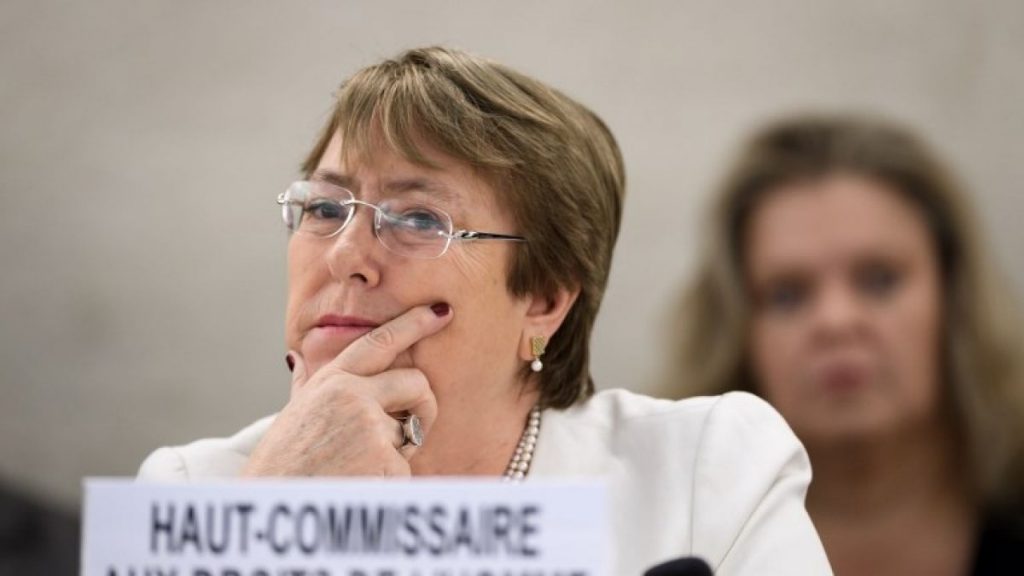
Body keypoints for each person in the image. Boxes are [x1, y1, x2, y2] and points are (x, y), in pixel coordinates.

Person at [138, 47, 831, 574]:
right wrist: (265, 524)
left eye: (417, 218)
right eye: (324, 208)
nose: (345, 254)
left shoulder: (706, 472)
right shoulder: (196, 490)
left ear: (545, 298)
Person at [670, 113, 1024, 575]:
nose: (835, 322)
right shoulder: (658, 533)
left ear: (953, 300)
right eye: (787, 294)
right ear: (738, 331)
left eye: (879, 279)